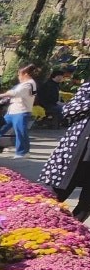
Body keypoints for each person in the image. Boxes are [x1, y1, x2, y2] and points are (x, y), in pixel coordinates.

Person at [40, 82, 90, 220]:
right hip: (75, 148)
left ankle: (69, 235)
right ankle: (40, 225)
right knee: (54, 194)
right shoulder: (88, 87)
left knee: (86, 204)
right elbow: (68, 111)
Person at [0, 64, 38, 156]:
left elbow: (14, 93)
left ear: (25, 74)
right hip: (13, 111)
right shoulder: (24, 84)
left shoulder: (28, 85)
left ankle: (22, 152)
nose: (18, 77)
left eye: (19, 74)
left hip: (21, 111)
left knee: (20, 132)